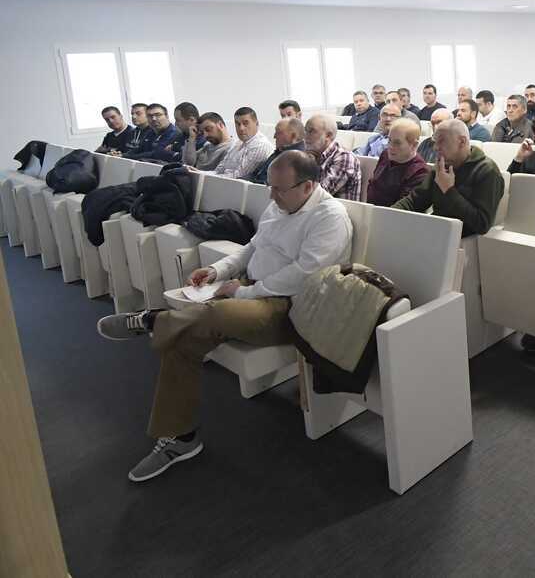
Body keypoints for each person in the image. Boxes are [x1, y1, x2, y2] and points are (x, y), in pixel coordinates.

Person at [96, 150, 353, 482]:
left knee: (213, 312)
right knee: (183, 340)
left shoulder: (329, 217)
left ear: (308, 186)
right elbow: (251, 248)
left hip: (291, 307)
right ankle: (181, 438)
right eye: (270, 187)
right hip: (254, 289)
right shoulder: (281, 204)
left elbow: (304, 275)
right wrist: (217, 271)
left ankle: (153, 320)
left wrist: (243, 293)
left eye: (279, 189)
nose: (271, 196)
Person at [393, 119, 504, 237]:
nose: (435, 147)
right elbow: (415, 201)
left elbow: (481, 224)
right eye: (435, 142)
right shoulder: (443, 165)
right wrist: (387, 214)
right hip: (435, 231)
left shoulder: (487, 171)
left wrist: (449, 190)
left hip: (459, 239)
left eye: (441, 141)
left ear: (462, 141)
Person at [366, 119, 430, 206]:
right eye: (389, 140)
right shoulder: (385, 155)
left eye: (397, 143)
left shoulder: (420, 172)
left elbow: (402, 207)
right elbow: (373, 185)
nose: (390, 146)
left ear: (414, 145)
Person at [304, 114, 361, 200]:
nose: (305, 136)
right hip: (315, 207)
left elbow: (319, 195)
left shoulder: (344, 157)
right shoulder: (312, 154)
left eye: (312, 131)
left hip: (337, 208)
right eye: (305, 131)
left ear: (328, 136)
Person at [213, 107, 274, 179]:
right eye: (238, 124)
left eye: (245, 123)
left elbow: (239, 176)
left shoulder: (261, 145)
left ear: (257, 124)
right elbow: (218, 170)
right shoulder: (237, 143)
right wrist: (202, 174)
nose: (241, 128)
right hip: (224, 181)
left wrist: (209, 177)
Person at [245, 117, 304, 184]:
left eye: (278, 132)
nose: (274, 136)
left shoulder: (297, 160)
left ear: (293, 136)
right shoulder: (280, 151)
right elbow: (255, 173)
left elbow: (274, 184)